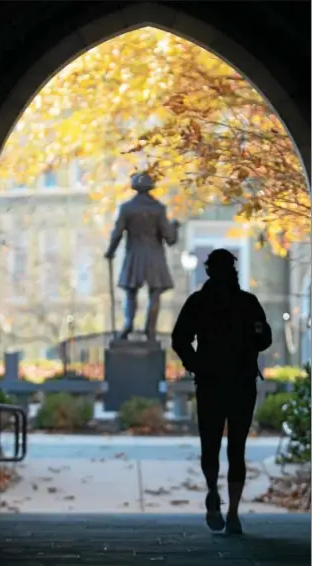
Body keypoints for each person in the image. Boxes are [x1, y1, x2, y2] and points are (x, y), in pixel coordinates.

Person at [171, 248, 272, 534]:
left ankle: (215, 494)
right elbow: (264, 338)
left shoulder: (199, 302)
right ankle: (233, 513)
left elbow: (179, 339)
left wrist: (196, 363)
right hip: (238, 382)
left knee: (211, 444)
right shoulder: (247, 303)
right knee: (235, 448)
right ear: (232, 271)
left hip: (212, 382)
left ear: (208, 271)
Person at [104, 172, 180, 340]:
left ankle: (128, 323)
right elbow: (170, 239)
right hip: (154, 255)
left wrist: (111, 251)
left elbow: (117, 233)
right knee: (155, 292)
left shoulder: (126, 208)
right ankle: (150, 329)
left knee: (130, 290)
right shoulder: (158, 209)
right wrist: (175, 227)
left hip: (134, 253)